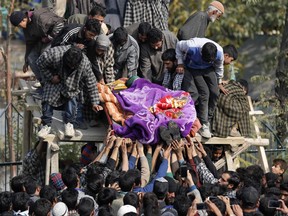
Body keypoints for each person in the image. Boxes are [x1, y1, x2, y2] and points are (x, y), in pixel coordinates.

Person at [36, 46, 102, 138]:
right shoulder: (54, 54)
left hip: (72, 84)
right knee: (47, 99)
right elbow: (39, 63)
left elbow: (91, 83)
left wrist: (95, 103)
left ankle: (69, 124)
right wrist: (50, 77)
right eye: (69, 65)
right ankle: (46, 125)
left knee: (72, 100)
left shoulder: (85, 64)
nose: (71, 67)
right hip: (56, 80)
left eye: (73, 66)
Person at [176, 37, 224, 138]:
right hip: (193, 68)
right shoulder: (191, 46)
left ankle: (209, 118)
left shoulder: (219, 52)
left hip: (208, 69)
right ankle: (203, 123)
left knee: (215, 92)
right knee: (204, 93)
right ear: (201, 52)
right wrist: (180, 62)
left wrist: (219, 81)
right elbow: (178, 46)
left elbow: (219, 66)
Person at [9, 9, 64, 85]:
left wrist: (50, 37)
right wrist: (26, 62)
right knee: (31, 57)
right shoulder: (26, 27)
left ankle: (53, 79)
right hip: (43, 40)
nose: (19, 27)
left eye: (19, 25)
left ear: (23, 20)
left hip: (56, 37)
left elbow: (60, 23)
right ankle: (43, 82)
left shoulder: (40, 17)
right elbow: (29, 43)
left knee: (44, 54)